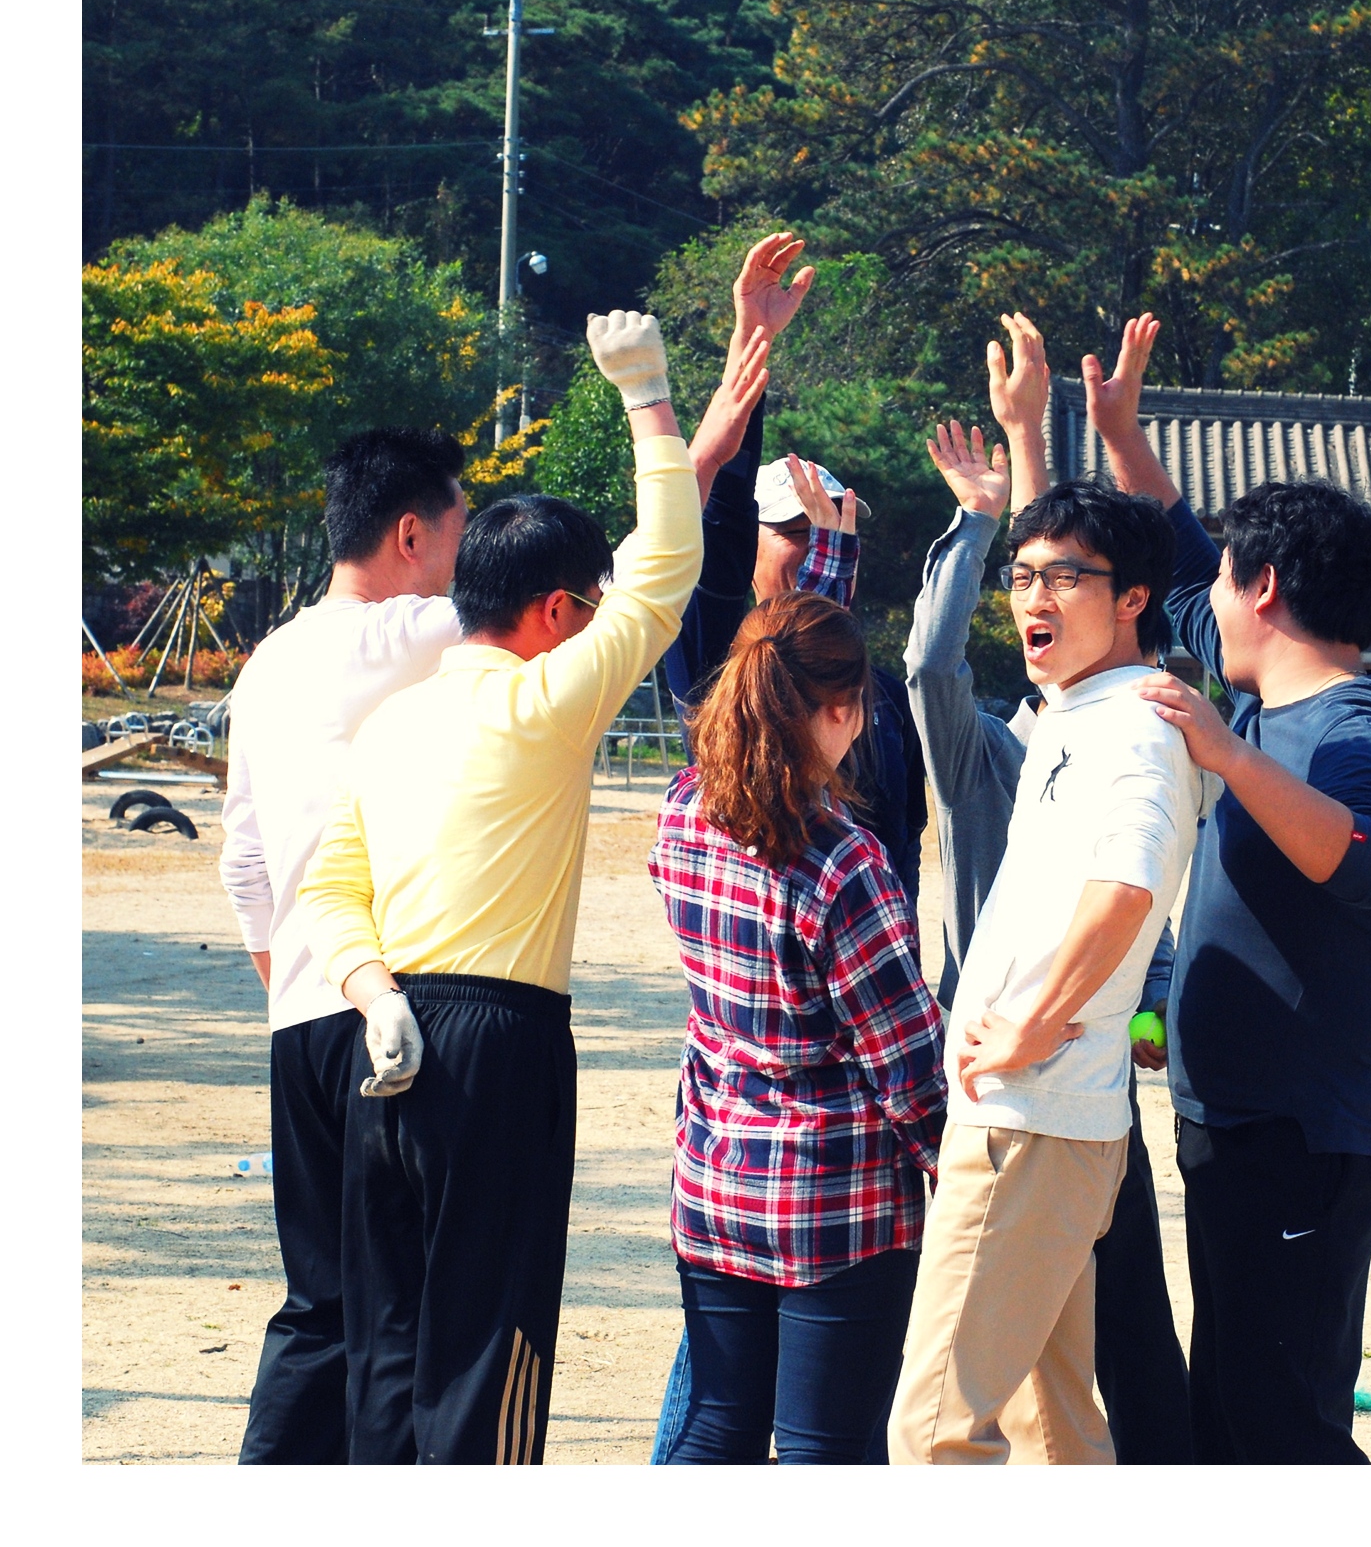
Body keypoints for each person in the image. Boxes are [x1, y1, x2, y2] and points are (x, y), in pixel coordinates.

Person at [296, 309, 711, 1464]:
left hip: (384, 1034)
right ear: (557, 613)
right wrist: (646, 394)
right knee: (492, 1340)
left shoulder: (392, 723)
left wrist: (374, 995)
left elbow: (329, 889)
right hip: (500, 1041)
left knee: (388, 1343)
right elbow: (666, 576)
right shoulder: (545, 703)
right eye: (588, 610)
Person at [1089, 339, 1371, 1463]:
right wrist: (1123, 435)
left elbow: (1369, 857)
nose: (1207, 604)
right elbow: (1190, 557)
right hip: (1242, 1129)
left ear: (1268, 589)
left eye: (1231, 581)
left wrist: (1229, 757)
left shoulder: (1353, 726)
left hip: (1302, 1141)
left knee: (1284, 1433)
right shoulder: (1263, 695)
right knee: (1234, 1417)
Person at [900, 312, 1194, 1463]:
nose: (1034, 597)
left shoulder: (1137, 726)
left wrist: (1029, 1026)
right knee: (1050, 1423)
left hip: (1029, 1118)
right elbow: (1041, 555)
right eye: (1022, 578)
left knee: (933, 1432)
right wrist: (1025, 438)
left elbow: (1126, 893)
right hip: (1037, 1117)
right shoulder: (1072, 707)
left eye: (1066, 580)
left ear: (1133, 601)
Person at [649, 592, 947, 1462]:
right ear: (842, 711)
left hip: (717, 1172)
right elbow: (908, 1070)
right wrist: (960, 1173)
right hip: (837, 1200)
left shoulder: (683, 810)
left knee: (717, 1426)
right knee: (828, 1450)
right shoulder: (844, 864)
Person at [220, 425, 468, 1463]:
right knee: (397, 1307)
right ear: (410, 534)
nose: (463, 555)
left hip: (300, 1016)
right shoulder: (413, 632)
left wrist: (295, 988)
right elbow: (584, 592)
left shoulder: (268, 661)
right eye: (457, 530)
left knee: (317, 1303)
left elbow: (242, 861)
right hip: (388, 1007)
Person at [660, 232, 926, 904]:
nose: (818, 548)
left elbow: (904, 841)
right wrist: (751, 340)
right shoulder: (716, 658)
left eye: (833, 532)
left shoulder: (880, 695)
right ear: (750, 546)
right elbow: (719, 517)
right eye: (795, 531)